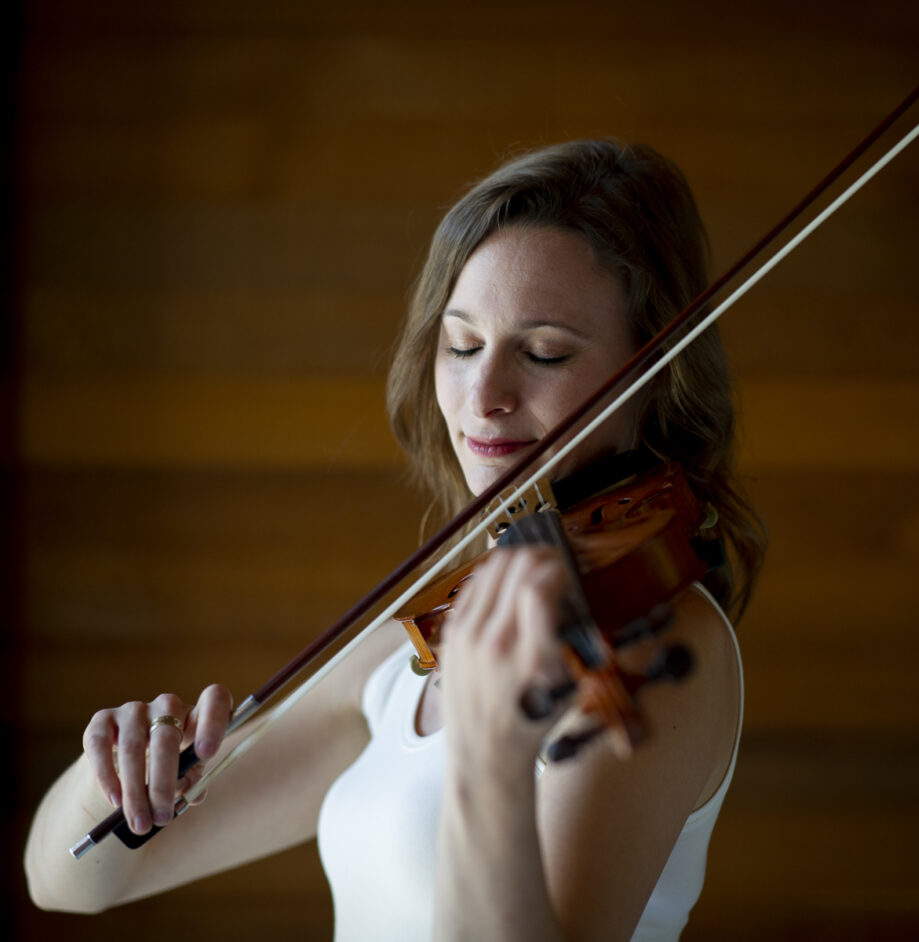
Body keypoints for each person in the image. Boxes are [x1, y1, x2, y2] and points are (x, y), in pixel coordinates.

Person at [24, 139, 765, 941]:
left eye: (545, 352)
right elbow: (70, 884)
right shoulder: (410, 648)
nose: (482, 398)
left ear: (655, 374)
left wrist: (488, 757)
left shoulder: (657, 650)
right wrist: (113, 783)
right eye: (462, 344)